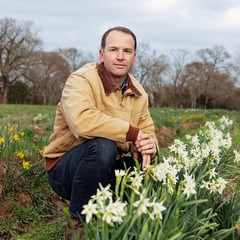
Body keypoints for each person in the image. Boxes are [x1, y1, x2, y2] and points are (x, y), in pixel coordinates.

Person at [43, 26, 158, 240]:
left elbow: (147, 131)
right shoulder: (81, 80)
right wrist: (131, 134)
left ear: (134, 56)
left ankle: (128, 221)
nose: (120, 57)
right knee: (104, 145)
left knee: (148, 163)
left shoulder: (139, 92)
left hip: (105, 167)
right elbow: (82, 122)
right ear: (102, 53)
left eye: (127, 51)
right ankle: (79, 225)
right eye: (114, 49)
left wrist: (148, 145)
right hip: (66, 168)